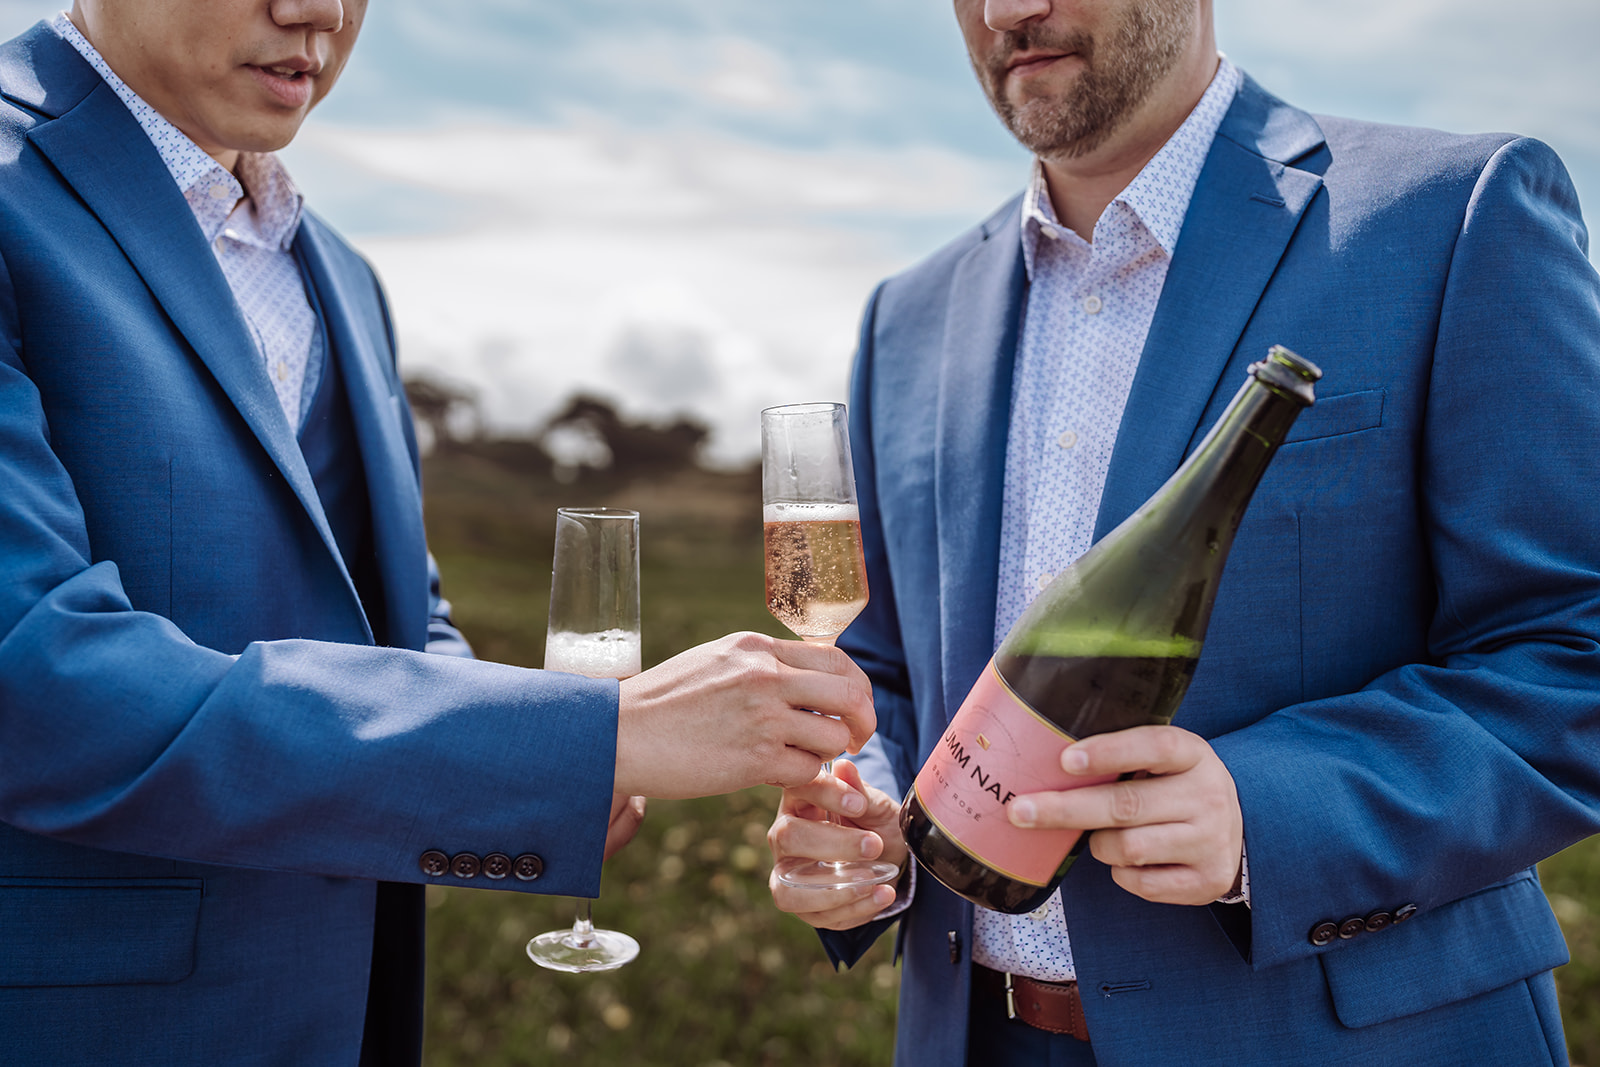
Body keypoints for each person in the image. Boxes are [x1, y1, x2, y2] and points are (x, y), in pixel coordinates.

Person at [0, 2, 875, 1064]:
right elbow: (35, 681)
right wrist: (593, 736)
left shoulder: (339, 273)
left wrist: (543, 768)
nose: (318, 10)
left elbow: (392, 619)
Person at [766, 0, 1600, 1063]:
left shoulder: (1454, 213)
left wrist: (1267, 810)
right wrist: (866, 812)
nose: (1007, 10)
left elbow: (1574, 652)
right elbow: (885, 669)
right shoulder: (906, 314)